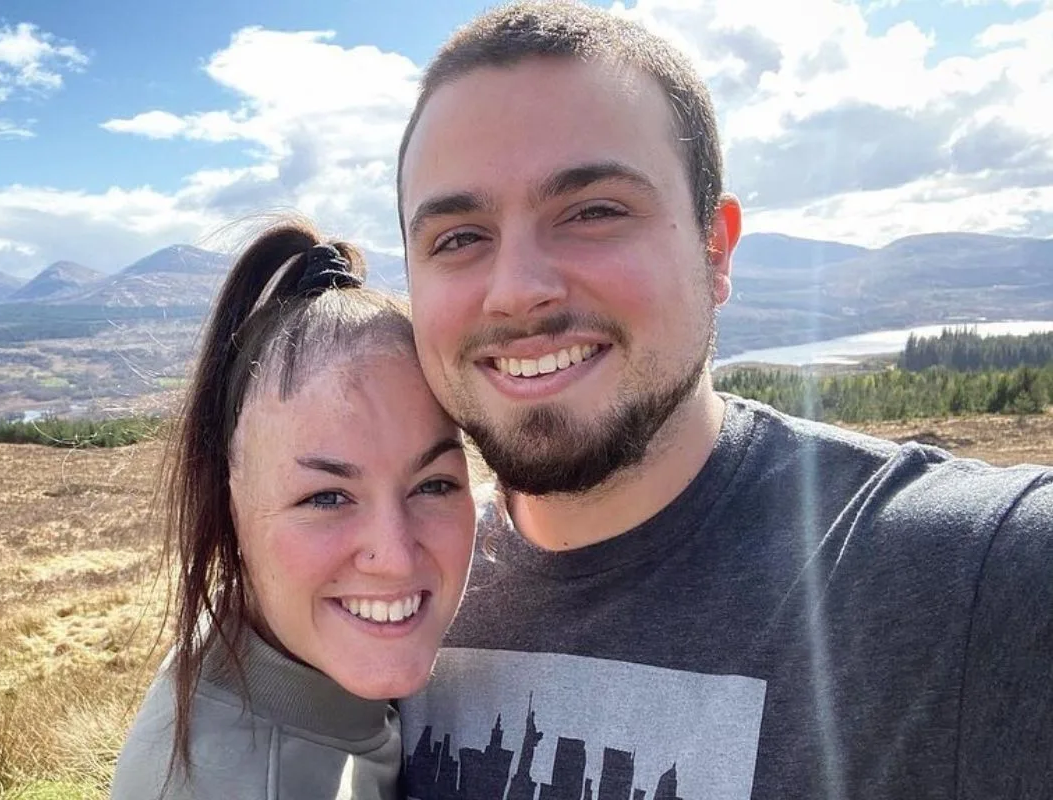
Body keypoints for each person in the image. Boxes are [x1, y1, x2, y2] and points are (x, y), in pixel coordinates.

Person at [393, 3, 1053, 799]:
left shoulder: (976, 578)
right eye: (458, 237)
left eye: (593, 211)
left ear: (714, 249)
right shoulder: (389, 600)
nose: (517, 290)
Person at [110, 219, 478, 799]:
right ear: (229, 506)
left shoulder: (266, 645)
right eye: (326, 497)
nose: (396, 557)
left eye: (433, 485)